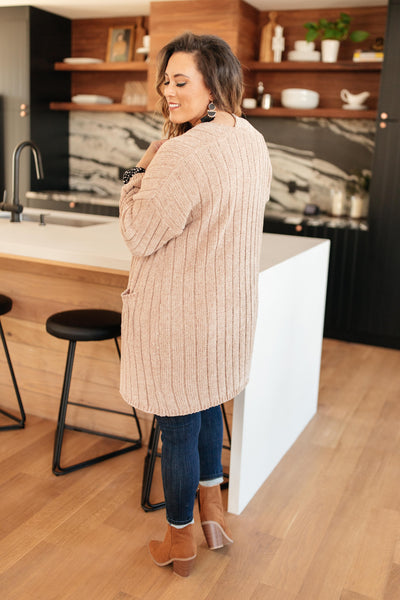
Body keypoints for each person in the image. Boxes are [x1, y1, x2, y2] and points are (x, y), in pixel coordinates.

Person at [119, 32, 271, 577]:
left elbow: (139, 233)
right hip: (223, 311)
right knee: (207, 402)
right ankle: (212, 511)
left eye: (181, 81)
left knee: (177, 422)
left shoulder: (181, 152)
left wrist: (138, 171)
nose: (168, 92)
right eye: (166, 81)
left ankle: (178, 537)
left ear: (215, 85)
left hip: (179, 314)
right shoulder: (250, 138)